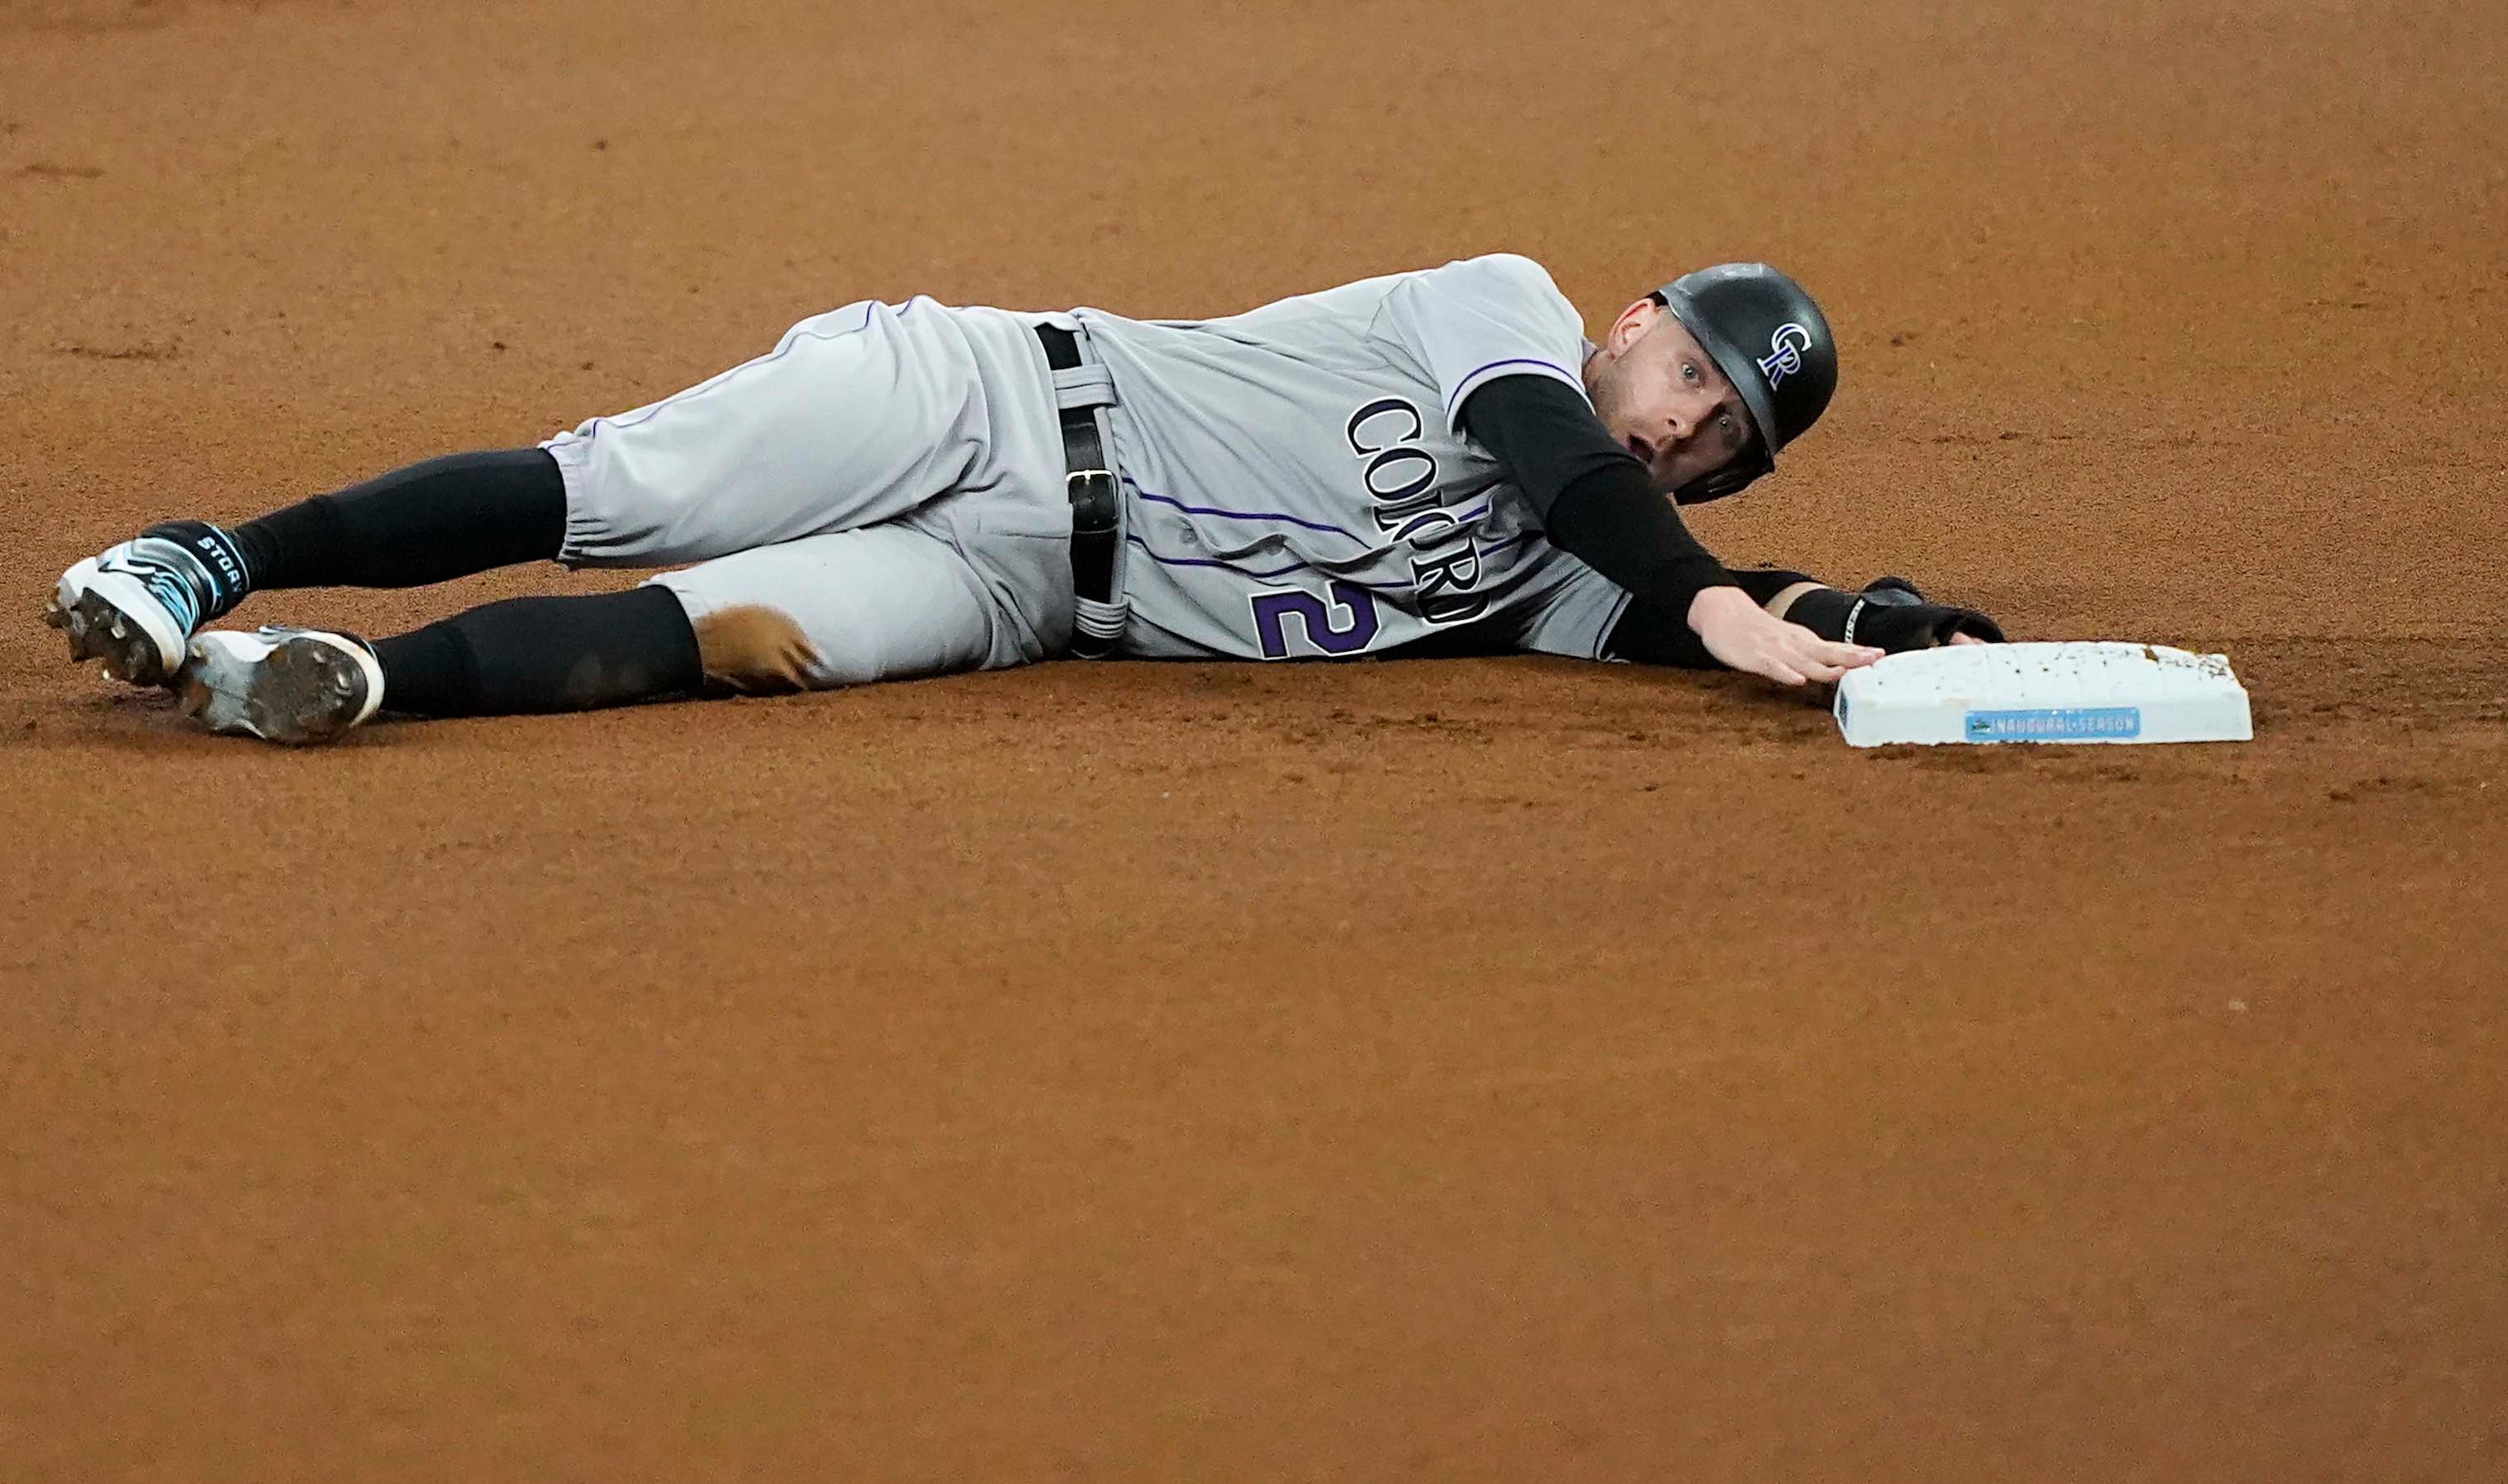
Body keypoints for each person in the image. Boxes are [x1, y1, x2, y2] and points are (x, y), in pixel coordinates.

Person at [44, 254, 2001, 744]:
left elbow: (1653, 605)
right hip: (972, 395)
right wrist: (1744, 606)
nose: (1685, 434)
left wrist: (1861, 631)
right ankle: (213, 552)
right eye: (1690, 381)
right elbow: (1583, 483)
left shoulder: (1526, 584)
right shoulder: (1493, 313)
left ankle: (335, 683)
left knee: (716, 643)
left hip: (1013, 596)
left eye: (1727, 439)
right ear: (1634, 321)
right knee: (614, 491)